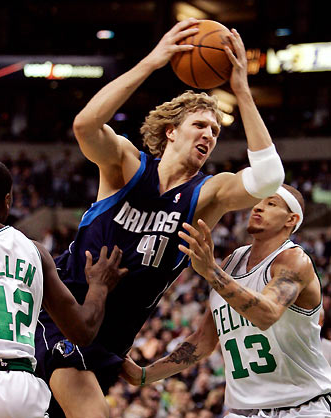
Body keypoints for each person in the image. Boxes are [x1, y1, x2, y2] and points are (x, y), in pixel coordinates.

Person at [35, 17, 285, 418]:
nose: (209, 135)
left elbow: (271, 177)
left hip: (111, 341)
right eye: (200, 125)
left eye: (216, 131)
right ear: (171, 131)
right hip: (65, 314)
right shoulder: (126, 166)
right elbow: (84, 124)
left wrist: (241, 89)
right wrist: (152, 61)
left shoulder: (208, 193)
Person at [122, 184, 331, 417]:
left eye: (271, 203)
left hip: (302, 407)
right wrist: (144, 375)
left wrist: (211, 272)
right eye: (259, 201)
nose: (258, 207)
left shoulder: (294, 260)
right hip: (243, 410)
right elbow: (202, 340)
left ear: (291, 220)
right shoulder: (231, 262)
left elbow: (267, 314)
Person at [0, 157, 127, 418]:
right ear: (7, 201)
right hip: (22, 390)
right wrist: (99, 287)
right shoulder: (35, 251)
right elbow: (82, 331)